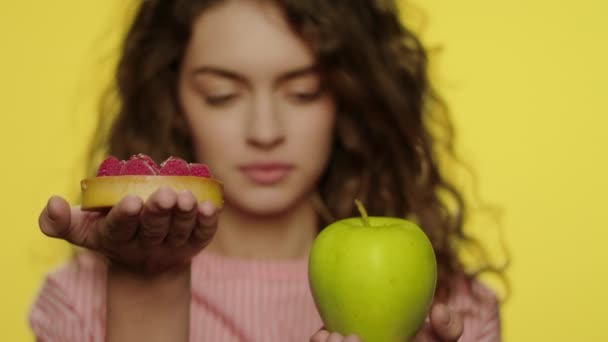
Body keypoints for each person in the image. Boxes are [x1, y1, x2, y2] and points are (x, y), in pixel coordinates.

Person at [30, 0, 503, 341]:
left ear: (350, 100)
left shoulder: (451, 309)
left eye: (303, 93)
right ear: (172, 101)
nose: (265, 131)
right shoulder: (81, 304)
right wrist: (148, 284)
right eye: (222, 94)